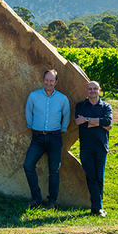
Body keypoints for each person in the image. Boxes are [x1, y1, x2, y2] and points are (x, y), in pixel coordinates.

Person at [23, 69, 70, 209]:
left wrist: (62, 129)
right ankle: (36, 198)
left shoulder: (62, 98)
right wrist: (31, 125)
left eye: (51, 80)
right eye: (46, 80)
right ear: (43, 80)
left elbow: (66, 115)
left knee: (54, 170)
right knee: (28, 165)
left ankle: (52, 202)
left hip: (55, 137)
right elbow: (28, 111)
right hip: (37, 137)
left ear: (56, 82)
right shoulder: (33, 96)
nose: (48, 83)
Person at [75, 81, 112, 217]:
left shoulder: (106, 106)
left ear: (99, 90)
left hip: (101, 146)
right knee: (91, 176)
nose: (92, 91)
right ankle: (97, 207)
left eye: (95, 88)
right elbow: (80, 123)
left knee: (99, 177)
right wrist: (99, 123)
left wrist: (87, 119)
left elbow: (107, 121)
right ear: (86, 90)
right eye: (90, 89)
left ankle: (97, 207)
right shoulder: (80, 105)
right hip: (86, 147)